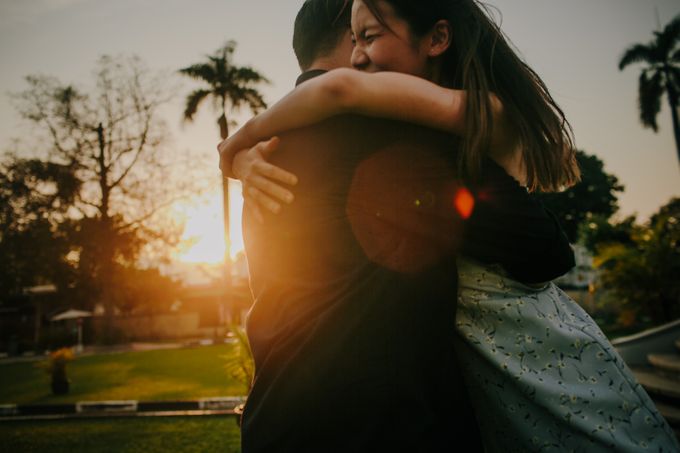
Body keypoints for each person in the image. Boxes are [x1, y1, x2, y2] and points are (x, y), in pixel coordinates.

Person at [220, 0, 680, 451]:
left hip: (273, 420)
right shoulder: (385, 132)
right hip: (383, 429)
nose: (361, 56)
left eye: (372, 36)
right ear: (349, 33)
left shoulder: (268, 155)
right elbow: (544, 247)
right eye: (360, 37)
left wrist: (237, 151)